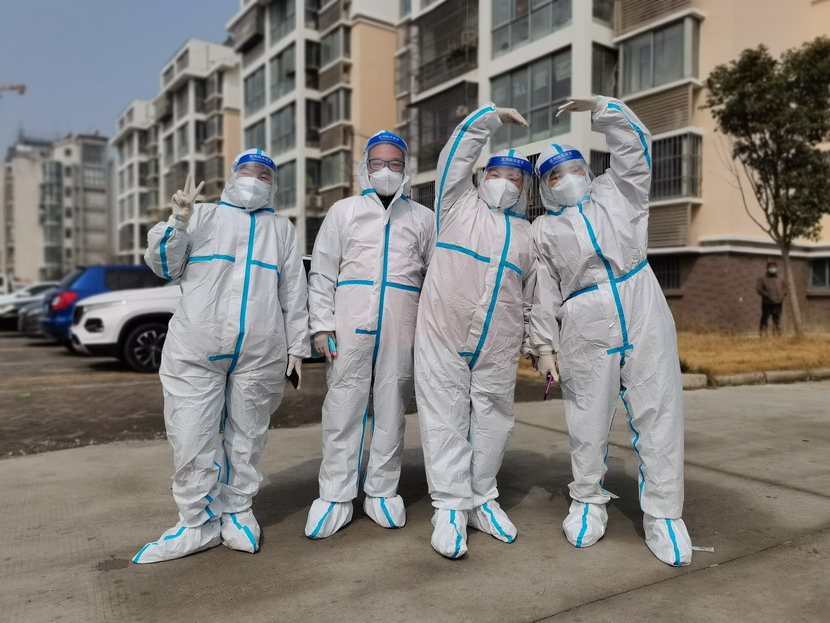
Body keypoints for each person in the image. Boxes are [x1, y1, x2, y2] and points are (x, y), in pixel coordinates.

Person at [527, 96, 692, 567]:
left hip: (640, 300)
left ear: (588, 169)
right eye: (553, 176)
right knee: (587, 414)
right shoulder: (543, 230)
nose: (566, 179)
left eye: (572, 168)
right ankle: (586, 499)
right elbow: (542, 291)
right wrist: (543, 344)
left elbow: (635, 149)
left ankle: (664, 514)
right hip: (583, 317)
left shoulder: (619, 191)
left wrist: (603, 109)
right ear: (545, 188)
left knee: (659, 408)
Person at [134, 149, 309, 563]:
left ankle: (238, 511)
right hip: (196, 347)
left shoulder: (281, 229)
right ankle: (196, 522)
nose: (255, 179)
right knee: (191, 436)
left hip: (260, 350)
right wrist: (177, 221)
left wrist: (297, 346)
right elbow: (164, 266)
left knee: (248, 437)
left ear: (274, 185)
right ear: (232, 176)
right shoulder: (202, 215)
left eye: (264, 174)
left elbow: (293, 290)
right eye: (248, 170)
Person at [414, 104, 536, 559]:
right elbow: (454, 158)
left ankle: (482, 498)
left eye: (515, 178)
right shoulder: (455, 206)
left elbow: (532, 297)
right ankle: (449, 507)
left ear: (525, 188)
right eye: (497, 174)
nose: (505, 183)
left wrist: (536, 344)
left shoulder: (526, 234)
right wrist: (488, 119)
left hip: (498, 344)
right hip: (442, 336)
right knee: (444, 419)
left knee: (493, 421)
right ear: (482, 177)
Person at [304, 131, 435, 539]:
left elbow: (435, 279)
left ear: (406, 168)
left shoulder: (423, 218)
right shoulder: (343, 211)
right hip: (348, 327)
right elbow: (322, 272)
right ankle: (335, 495)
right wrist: (321, 325)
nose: (386, 170)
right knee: (343, 410)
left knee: (392, 412)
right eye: (378, 163)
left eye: (395, 163)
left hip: (401, 328)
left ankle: (381, 491)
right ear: (365, 166)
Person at [756, 261, 787, 337]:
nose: (773, 269)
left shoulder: (781, 278)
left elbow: (785, 287)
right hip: (767, 303)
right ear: (767, 268)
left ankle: (777, 334)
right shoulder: (762, 278)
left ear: (777, 268)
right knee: (765, 318)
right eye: (771, 267)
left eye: (774, 267)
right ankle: (763, 334)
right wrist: (768, 295)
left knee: (777, 318)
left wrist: (783, 295)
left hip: (778, 302)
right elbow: (759, 289)